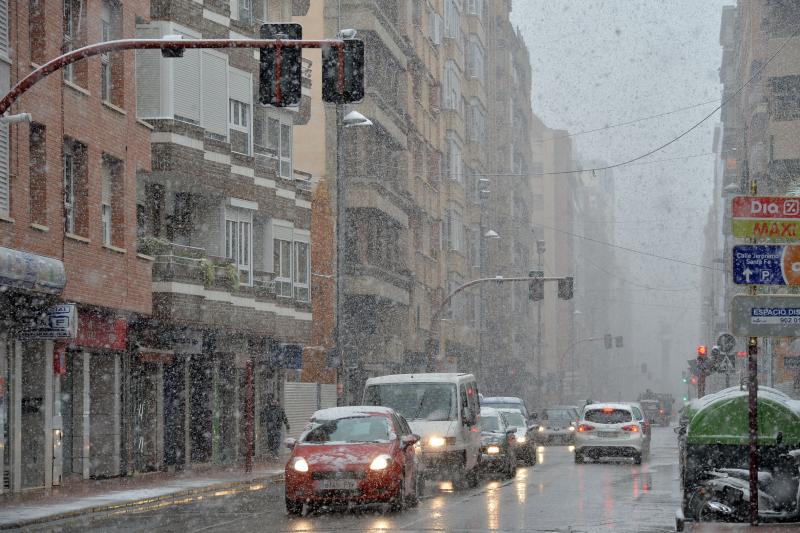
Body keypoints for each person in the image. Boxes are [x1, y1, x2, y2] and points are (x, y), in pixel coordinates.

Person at [261, 395, 289, 459]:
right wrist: (263, 422)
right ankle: (271, 452)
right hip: (270, 428)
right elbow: (263, 416)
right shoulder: (267, 409)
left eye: (276, 401)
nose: (275, 402)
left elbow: (284, 418)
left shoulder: (280, 410)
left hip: (277, 428)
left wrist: (287, 425)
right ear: (271, 401)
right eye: (273, 401)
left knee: (277, 441)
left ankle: (275, 453)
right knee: (270, 441)